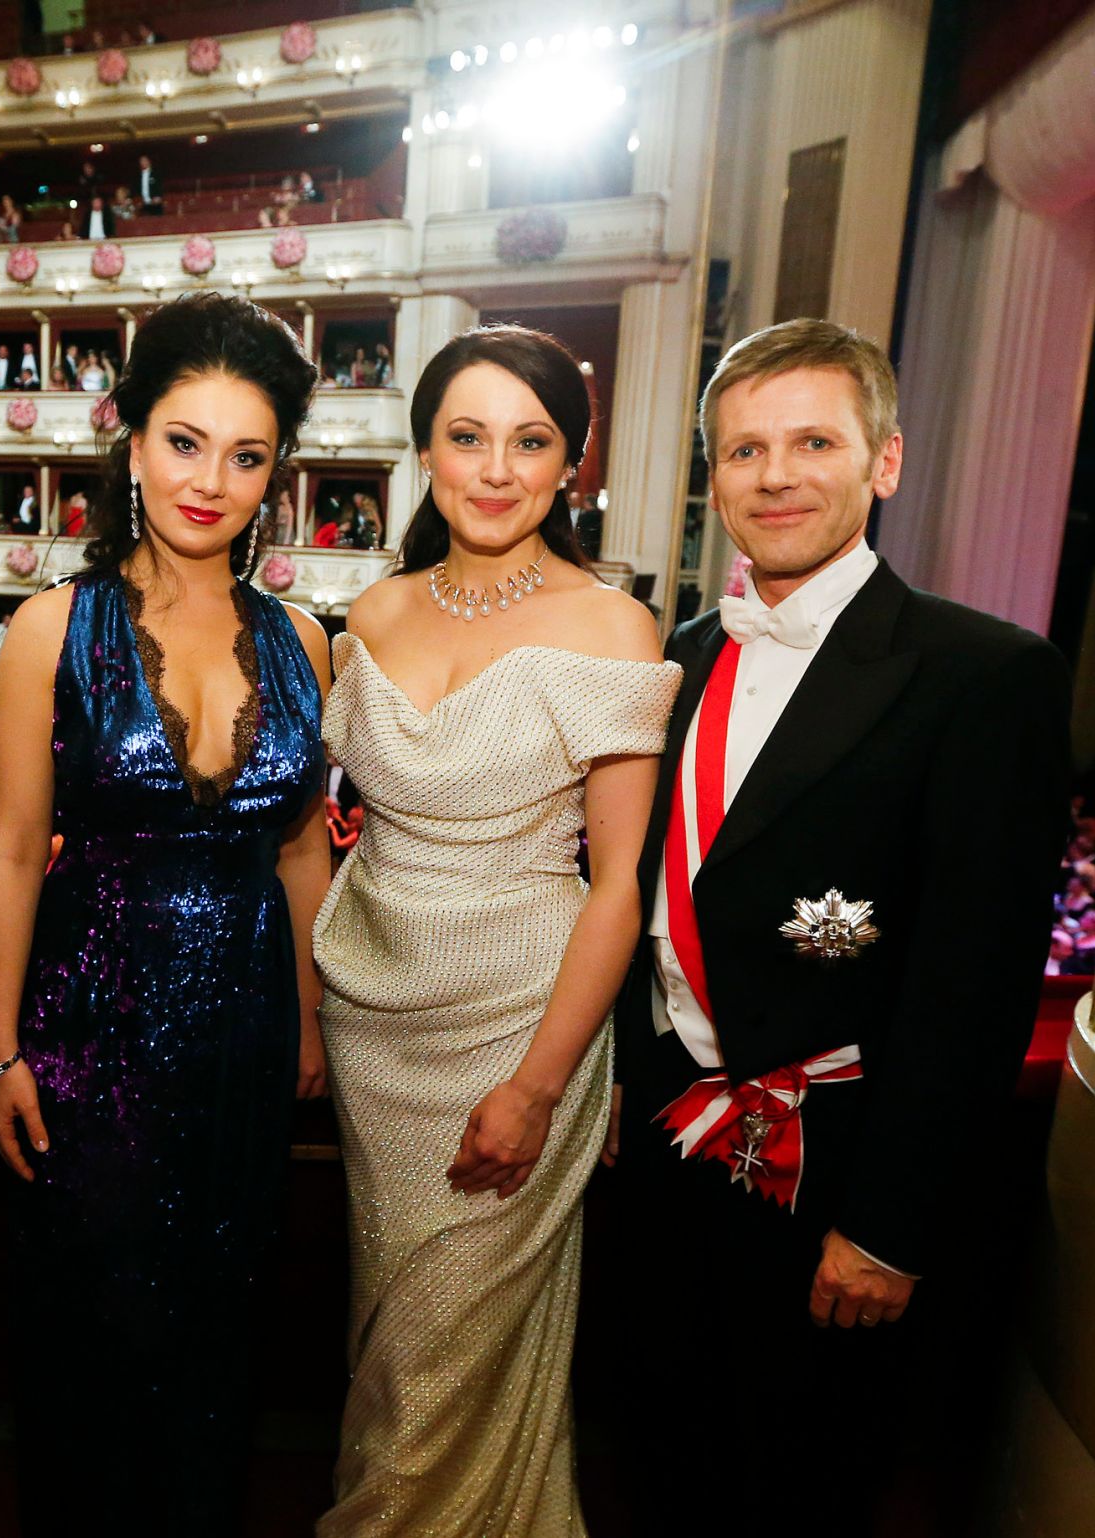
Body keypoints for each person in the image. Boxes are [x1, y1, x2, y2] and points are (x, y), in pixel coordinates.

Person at [590, 318, 1071, 1536]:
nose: (775, 475)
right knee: (654, 1474)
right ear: (713, 479)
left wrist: (890, 1227)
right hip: (659, 1161)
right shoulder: (674, 658)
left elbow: (973, 985)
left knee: (799, 1490)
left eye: (812, 441)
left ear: (883, 460)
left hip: (831, 1191)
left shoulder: (982, 674)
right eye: (743, 449)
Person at [312, 326, 676, 1534]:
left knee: (441, 1358)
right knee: (388, 1347)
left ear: (569, 463)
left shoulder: (609, 625)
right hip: (373, 1025)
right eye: (466, 436)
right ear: (424, 448)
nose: (494, 468)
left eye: (530, 441)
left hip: (521, 1026)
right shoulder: (372, 610)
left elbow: (618, 884)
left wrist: (537, 1085)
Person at [0, 291, 329, 1536]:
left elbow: (301, 846)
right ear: (131, 443)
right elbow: (11, 848)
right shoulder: (50, 628)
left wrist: (310, 1024)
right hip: (93, 1027)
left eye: (245, 455)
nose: (208, 481)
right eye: (184, 442)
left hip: (246, 1031)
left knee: (217, 1321)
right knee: (97, 1322)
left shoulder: (304, 640)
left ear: (274, 474)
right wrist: (1, 1049)